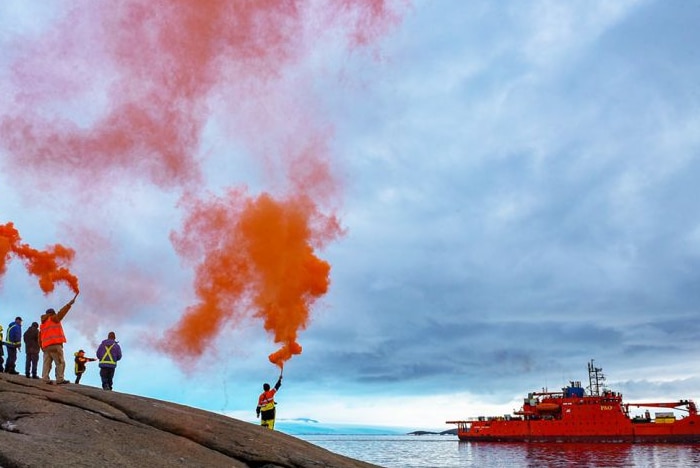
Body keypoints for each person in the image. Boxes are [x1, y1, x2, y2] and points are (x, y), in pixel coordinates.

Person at [41, 293, 78, 384]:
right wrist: (69, 304)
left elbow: (39, 337)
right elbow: (62, 312)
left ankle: (45, 378)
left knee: (46, 363)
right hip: (55, 345)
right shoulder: (54, 318)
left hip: (45, 347)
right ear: (52, 313)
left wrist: (42, 347)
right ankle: (60, 379)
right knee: (60, 362)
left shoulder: (43, 324)